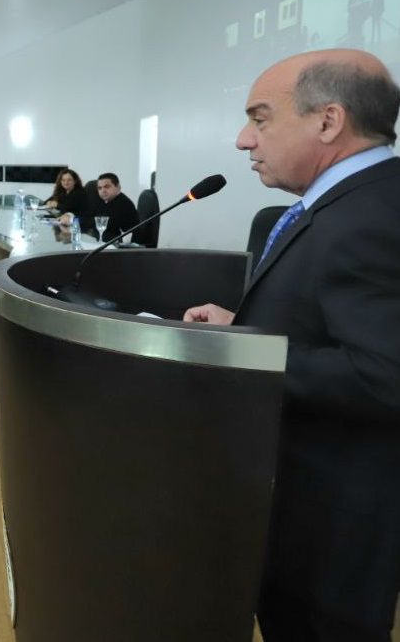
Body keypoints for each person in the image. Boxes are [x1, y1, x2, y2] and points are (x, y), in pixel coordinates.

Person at [183, 50, 400, 641]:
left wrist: (245, 355)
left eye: (261, 118)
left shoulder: (374, 214)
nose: (242, 140)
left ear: (328, 122)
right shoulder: (348, 202)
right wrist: (242, 326)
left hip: (334, 527)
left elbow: (384, 375)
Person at [90, 173, 139, 242]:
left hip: (124, 247)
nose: (103, 190)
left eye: (107, 187)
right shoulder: (106, 201)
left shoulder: (123, 203)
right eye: (100, 188)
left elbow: (108, 228)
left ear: (118, 187)